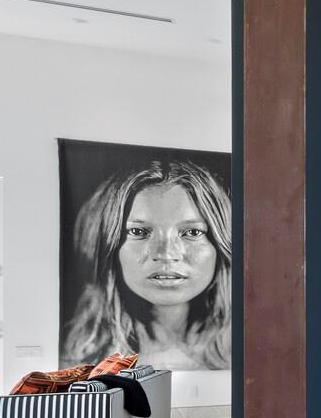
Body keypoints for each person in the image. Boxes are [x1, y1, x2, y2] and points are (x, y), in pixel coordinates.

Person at [63, 159, 231, 371]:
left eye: (192, 232)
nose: (166, 254)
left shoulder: (247, 349)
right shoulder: (75, 362)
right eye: (138, 232)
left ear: (221, 244)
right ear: (107, 244)